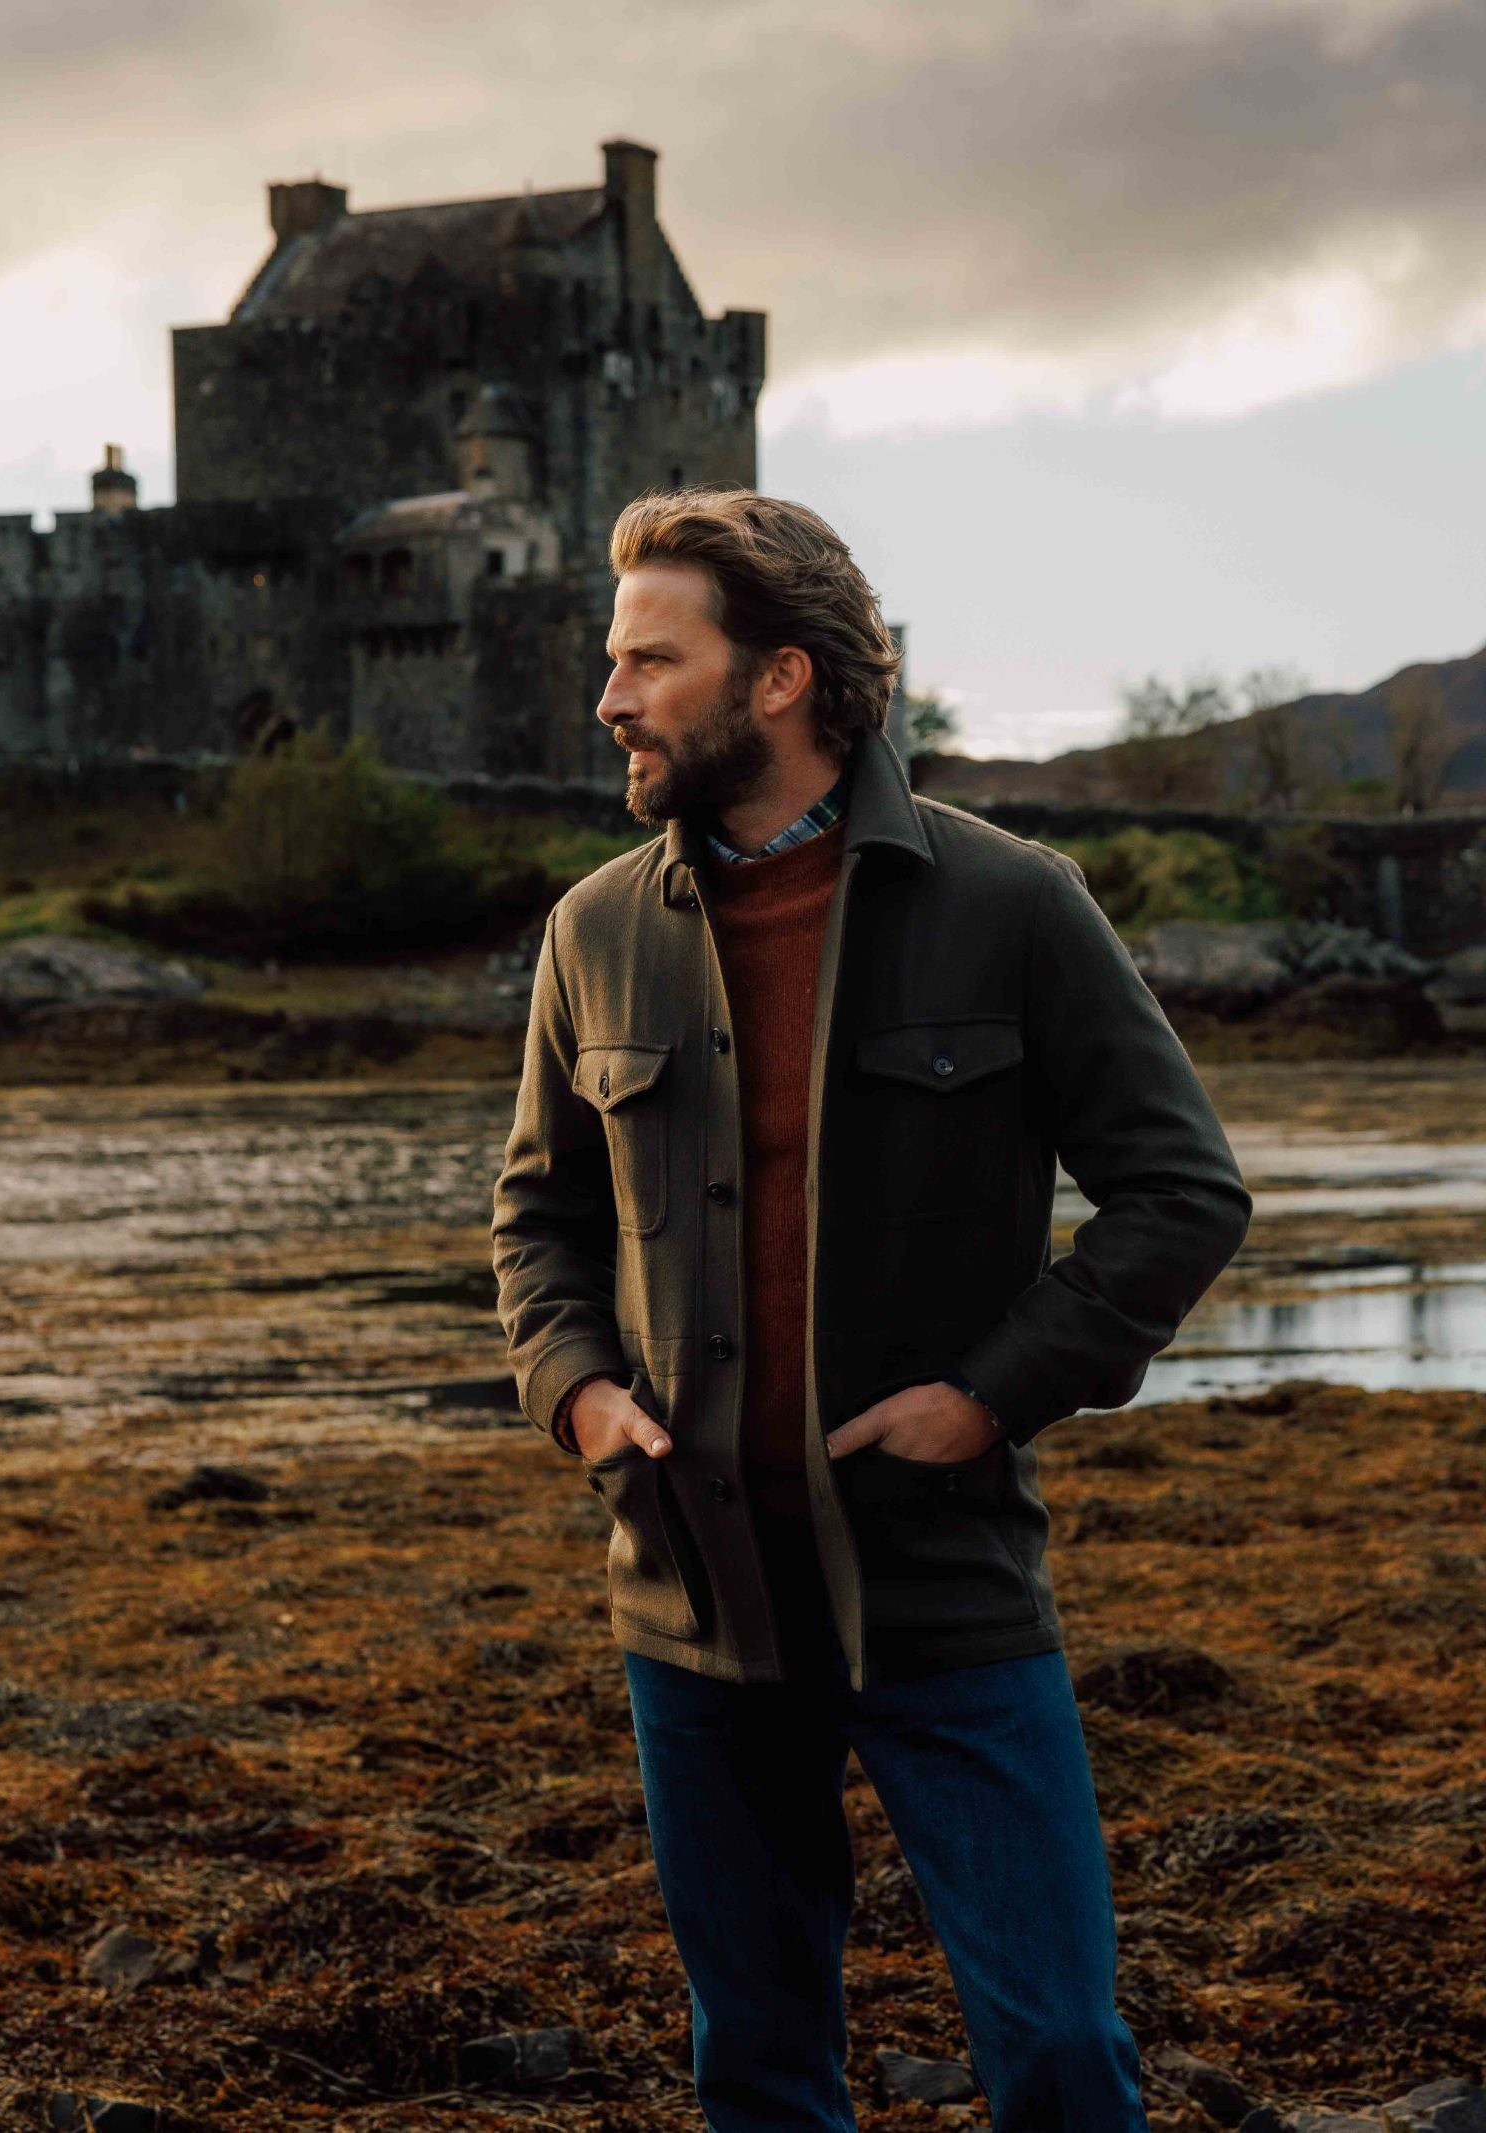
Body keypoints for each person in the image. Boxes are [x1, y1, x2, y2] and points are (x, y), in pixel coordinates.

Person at [490, 486, 1252, 2133]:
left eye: (649, 660)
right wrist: (578, 1393)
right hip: (688, 1599)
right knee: (758, 2065)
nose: (609, 698)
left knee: (1057, 2054)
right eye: (613, 661)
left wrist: (987, 1395)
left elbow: (1183, 1193)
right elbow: (537, 1218)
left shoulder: (1013, 903)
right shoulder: (593, 930)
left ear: (782, 679)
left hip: (942, 1589)